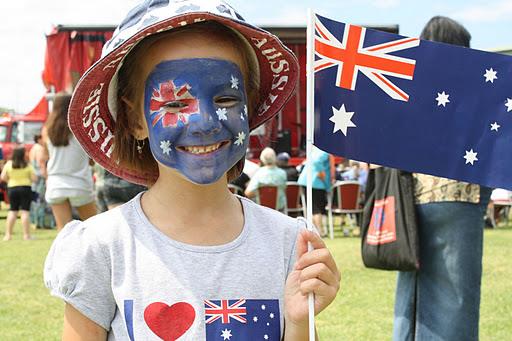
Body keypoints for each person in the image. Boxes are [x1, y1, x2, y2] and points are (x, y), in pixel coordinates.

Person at [44, 2, 340, 340]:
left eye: (226, 100)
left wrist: (300, 324)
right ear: (135, 120)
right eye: (174, 104)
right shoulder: (102, 246)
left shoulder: (289, 243)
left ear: (249, 103)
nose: (205, 122)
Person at [393, 16, 492, 341]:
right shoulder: (473, 89)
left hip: (409, 198)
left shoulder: (411, 88)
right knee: (455, 295)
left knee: (411, 288)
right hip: (459, 194)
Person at [43, 93, 97, 230]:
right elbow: (91, 158)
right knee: (94, 229)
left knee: (64, 233)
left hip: (56, 184)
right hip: (80, 183)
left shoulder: (47, 131)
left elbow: (47, 156)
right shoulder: (81, 128)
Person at [297, 146, 334, 237]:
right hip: (315, 182)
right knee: (316, 209)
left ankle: (315, 231)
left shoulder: (317, 149)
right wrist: (321, 173)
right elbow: (317, 162)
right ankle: (319, 232)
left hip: (310, 181)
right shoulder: (324, 151)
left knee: (313, 209)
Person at [1, 146, 36, 240]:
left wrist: (10, 180)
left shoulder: (9, 164)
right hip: (25, 188)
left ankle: (8, 235)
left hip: (12, 188)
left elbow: (3, 177)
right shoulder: (27, 165)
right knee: (25, 211)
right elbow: (34, 178)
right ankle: (26, 235)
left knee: (12, 211)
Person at [245, 147, 288, 211]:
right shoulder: (282, 173)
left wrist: (259, 192)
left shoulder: (259, 173)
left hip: (262, 209)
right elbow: (284, 188)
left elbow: (247, 193)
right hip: (279, 209)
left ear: (262, 159)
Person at [28, 133, 54, 228]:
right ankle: (42, 223)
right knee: (42, 200)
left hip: (34, 177)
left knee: (35, 200)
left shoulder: (33, 148)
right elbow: (41, 164)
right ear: (39, 139)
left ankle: (35, 221)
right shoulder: (40, 149)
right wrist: (47, 177)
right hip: (40, 178)